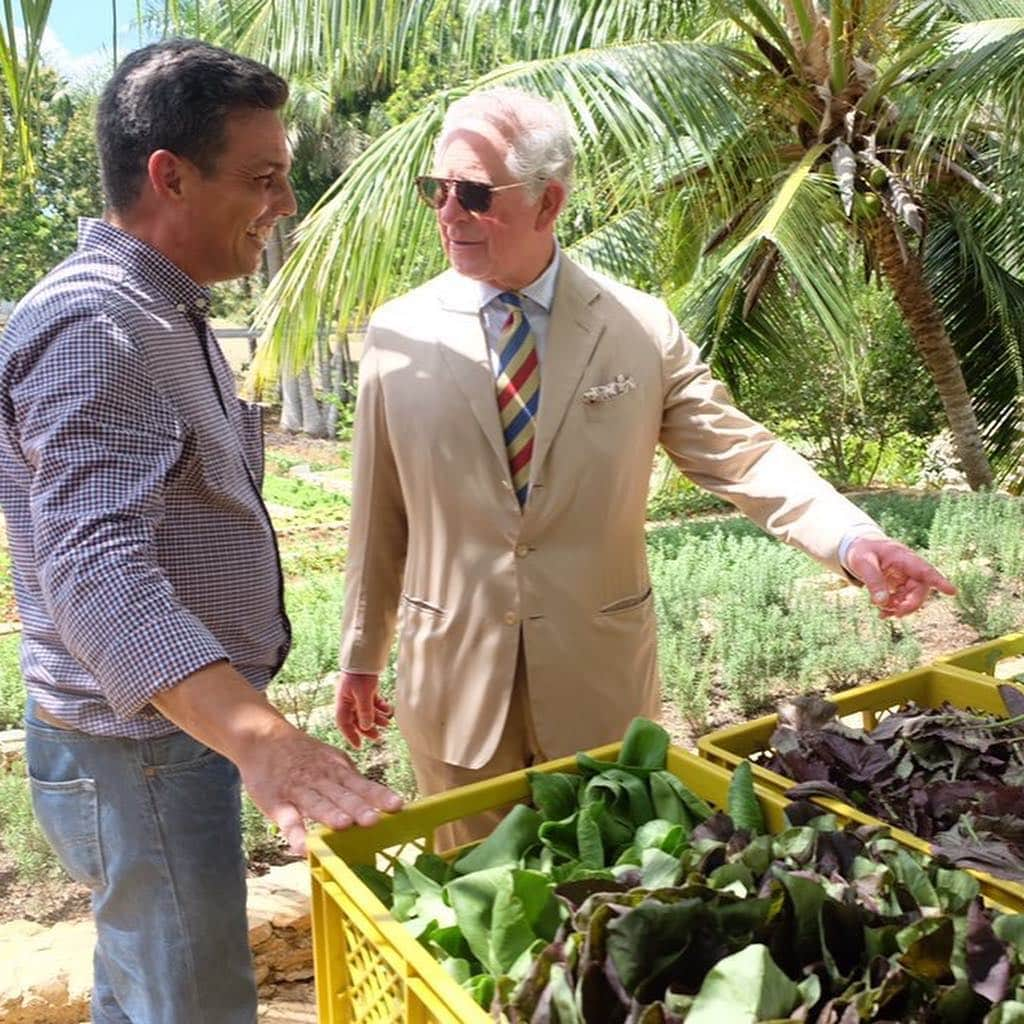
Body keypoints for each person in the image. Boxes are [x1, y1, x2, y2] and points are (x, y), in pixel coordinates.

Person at [335, 86, 954, 849]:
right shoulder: (399, 335)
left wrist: (854, 542)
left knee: (609, 890)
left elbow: (740, 451)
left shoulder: (637, 328)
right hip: (452, 689)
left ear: (548, 201)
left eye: (472, 193)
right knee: (473, 898)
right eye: (437, 189)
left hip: (599, 686)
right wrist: (361, 655)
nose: (447, 212)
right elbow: (378, 514)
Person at [0, 39, 401, 1024]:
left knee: (142, 983)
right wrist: (262, 739)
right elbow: (95, 568)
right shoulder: (100, 326)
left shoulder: (159, 311)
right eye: (263, 178)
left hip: (158, 737)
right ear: (168, 177)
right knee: (195, 1004)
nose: (287, 202)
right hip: (137, 748)